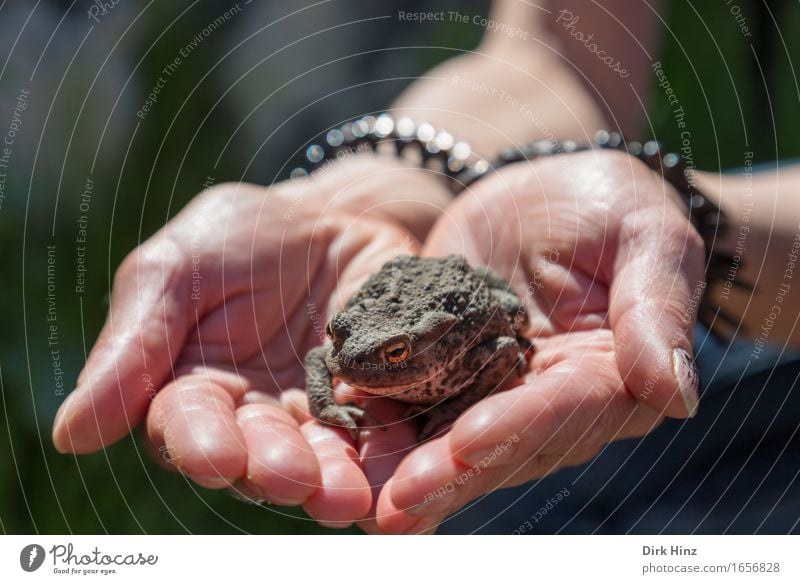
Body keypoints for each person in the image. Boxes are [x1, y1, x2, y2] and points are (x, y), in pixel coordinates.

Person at [51, 0, 800, 533]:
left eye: (390, 357)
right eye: (352, 345)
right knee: (489, 513)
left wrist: (701, 230)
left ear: (424, 352)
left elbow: (508, 346)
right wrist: (394, 178)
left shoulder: (459, 341)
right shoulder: (356, 349)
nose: (355, 362)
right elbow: (552, 57)